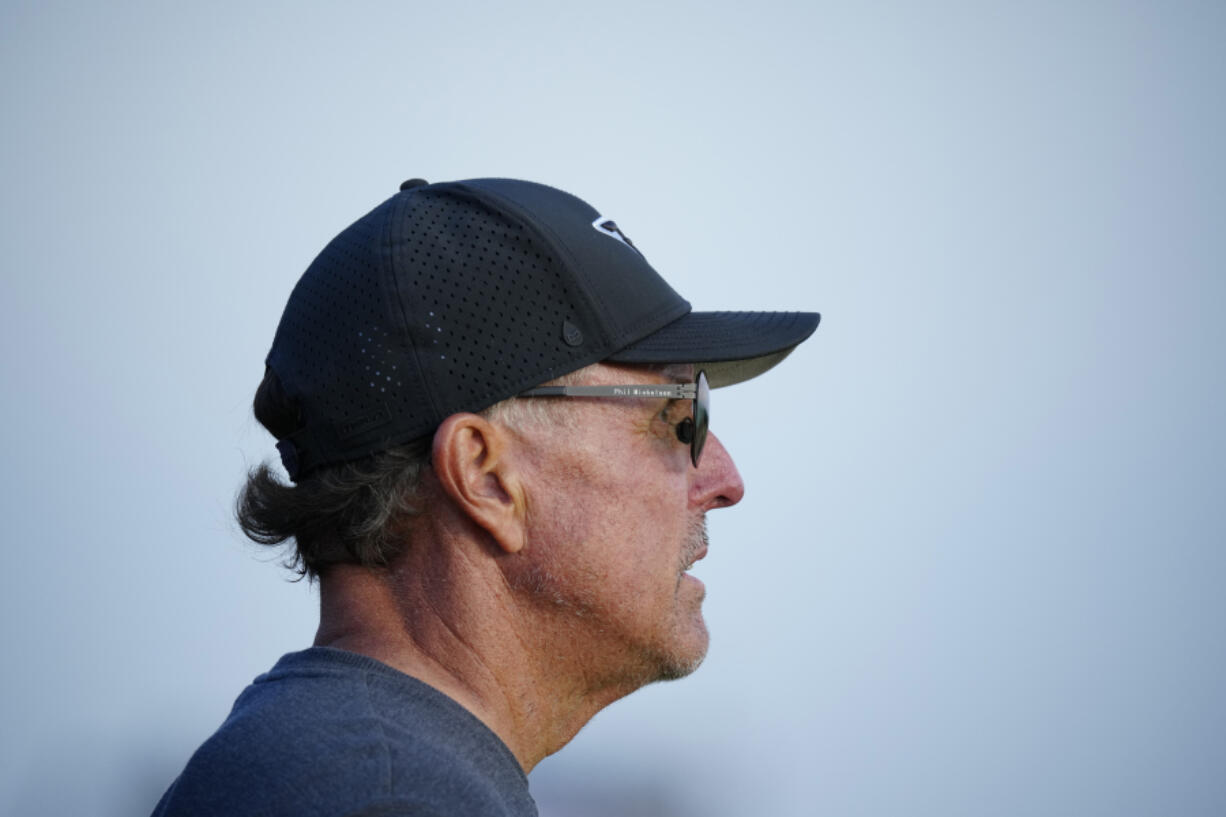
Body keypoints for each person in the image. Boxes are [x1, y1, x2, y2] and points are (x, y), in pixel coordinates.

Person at [151, 177, 820, 816]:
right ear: (485, 476)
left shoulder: (336, 764)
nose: (726, 480)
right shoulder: (392, 800)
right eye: (677, 416)